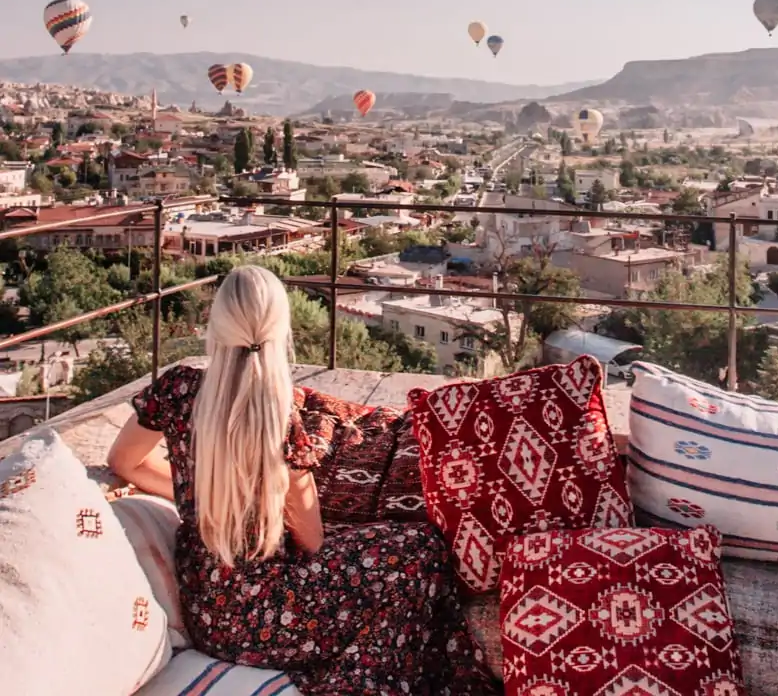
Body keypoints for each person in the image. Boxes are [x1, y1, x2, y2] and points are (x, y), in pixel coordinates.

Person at [108, 265, 494, 696]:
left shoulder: (177, 390)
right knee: (419, 547)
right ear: (279, 331)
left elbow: (126, 462)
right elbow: (312, 540)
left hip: (210, 618)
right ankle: (367, 676)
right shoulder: (280, 416)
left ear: (216, 323)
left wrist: (198, 498)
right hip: (274, 621)